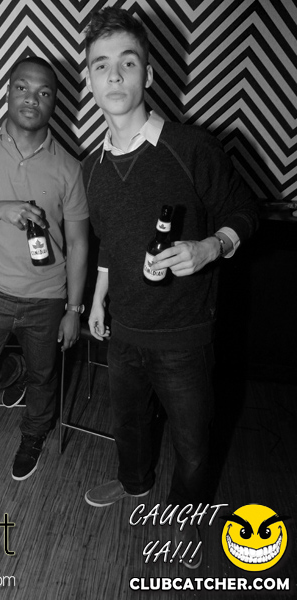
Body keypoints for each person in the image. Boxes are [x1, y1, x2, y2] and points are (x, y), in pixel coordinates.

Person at [82, 7, 258, 567]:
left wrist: (212, 246)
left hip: (184, 334)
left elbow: (244, 210)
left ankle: (185, 515)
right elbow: (108, 242)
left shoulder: (191, 147)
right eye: (101, 65)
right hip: (124, 330)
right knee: (127, 424)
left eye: (127, 62)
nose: (114, 75)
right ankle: (133, 482)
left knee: (192, 441)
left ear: (149, 74)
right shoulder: (91, 168)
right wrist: (98, 300)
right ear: (90, 81)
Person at [0, 56, 89, 481]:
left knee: (46, 377)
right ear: (7, 92)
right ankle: (17, 370)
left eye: (44, 92)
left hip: (48, 294)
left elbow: (78, 243)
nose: (32, 99)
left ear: (55, 102)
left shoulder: (69, 168)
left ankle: (33, 434)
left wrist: (73, 309)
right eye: (23, 88)